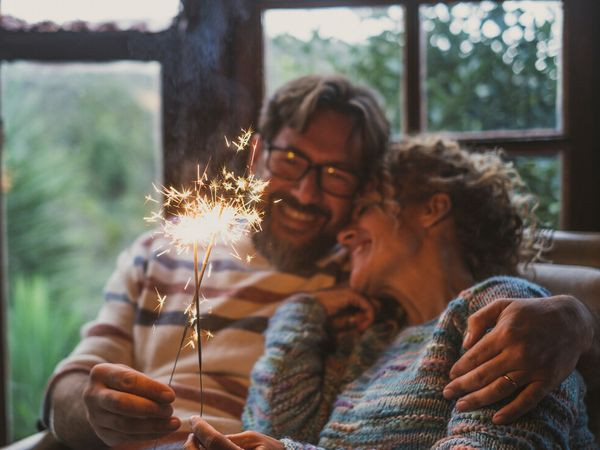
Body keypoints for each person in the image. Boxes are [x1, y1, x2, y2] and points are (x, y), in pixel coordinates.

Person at [43, 75, 599, 449]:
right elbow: (69, 387)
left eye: (337, 176)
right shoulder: (160, 253)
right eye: (291, 161)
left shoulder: (364, 287)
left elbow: (502, 313)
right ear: (258, 155)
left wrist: (576, 317)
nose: (308, 194)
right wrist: (92, 408)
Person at [185, 137, 597, 449]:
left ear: (432, 209)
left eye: (365, 208)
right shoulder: (368, 343)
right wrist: (300, 314)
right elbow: (271, 430)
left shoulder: (507, 313)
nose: (344, 235)